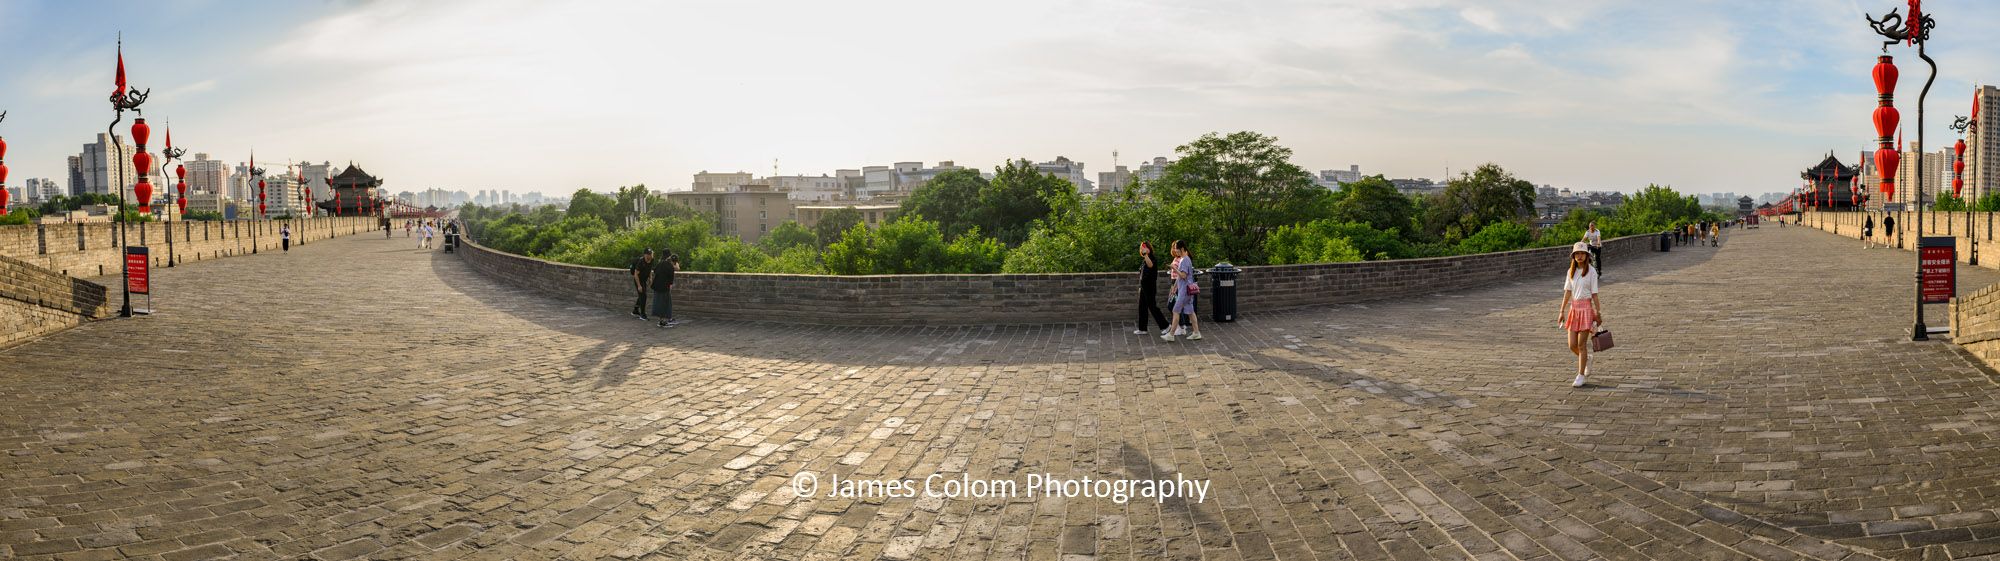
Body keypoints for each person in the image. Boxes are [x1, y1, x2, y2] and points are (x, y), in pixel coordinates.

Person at [1558, 241, 1602, 388]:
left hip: (1586, 310)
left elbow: (1595, 294)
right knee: (1572, 345)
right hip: (1574, 310)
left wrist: (1598, 312)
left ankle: (1581, 375)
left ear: (1587, 255)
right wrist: (1561, 311)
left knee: (1581, 344)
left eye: (1582, 253)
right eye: (1577, 253)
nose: (1580, 256)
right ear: (1573, 256)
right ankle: (1587, 359)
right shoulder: (1571, 272)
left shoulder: (1592, 272)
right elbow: (1567, 292)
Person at [1161, 240, 1202, 342]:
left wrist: (1174, 268)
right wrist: (1175, 287)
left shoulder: (1184, 260)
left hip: (1184, 291)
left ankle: (1171, 334)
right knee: (1191, 312)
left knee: (1175, 310)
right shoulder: (1185, 259)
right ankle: (1196, 333)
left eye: (1177, 248)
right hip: (1186, 290)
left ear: (1182, 248)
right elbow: (1180, 278)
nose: (1175, 250)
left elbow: (1183, 275)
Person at [651, 251, 680, 327]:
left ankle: (663, 320)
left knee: (659, 303)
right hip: (664, 287)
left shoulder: (660, 263)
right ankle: (662, 322)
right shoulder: (669, 266)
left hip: (657, 286)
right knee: (665, 303)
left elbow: (655, 271)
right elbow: (671, 279)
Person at [630, 248, 654, 319]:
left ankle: (635, 310)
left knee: (642, 295)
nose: (649, 256)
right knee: (644, 296)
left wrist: (650, 278)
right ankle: (643, 314)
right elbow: (635, 274)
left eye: (650, 254)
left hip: (644, 279)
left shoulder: (652, 260)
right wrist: (639, 286)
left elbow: (649, 269)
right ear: (644, 255)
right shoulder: (641, 262)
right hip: (638, 279)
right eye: (648, 254)